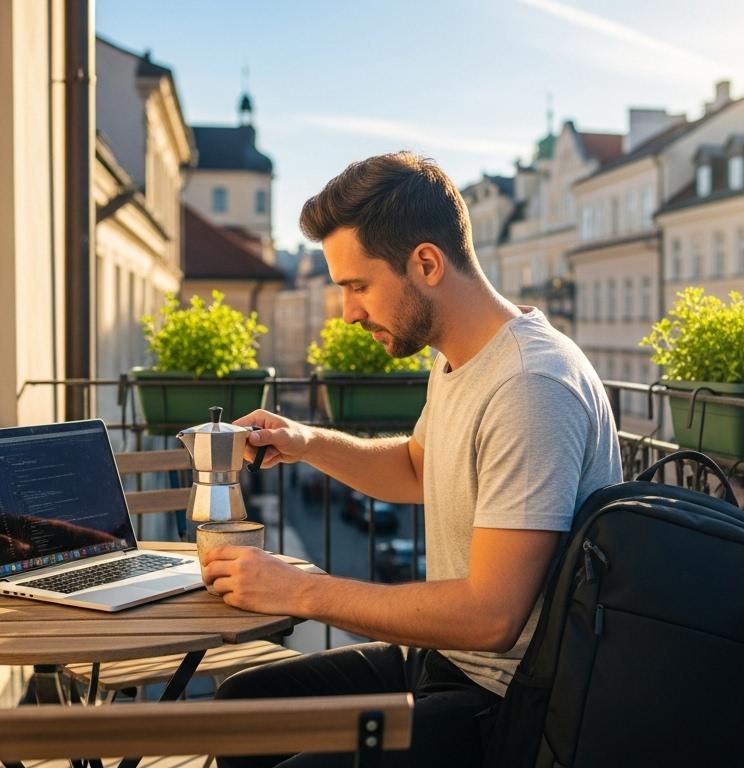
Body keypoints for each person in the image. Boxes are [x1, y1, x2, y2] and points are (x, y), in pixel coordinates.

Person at [201, 151, 622, 768]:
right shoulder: (459, 358)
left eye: (358, 286)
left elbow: (491, 616)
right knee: (239, 711)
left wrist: (299, 590)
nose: (348, 313)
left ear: (426, 263)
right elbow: (417, 470)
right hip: (445, 666)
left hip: (511, 706)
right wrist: (307, 441)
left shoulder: (532, 384)